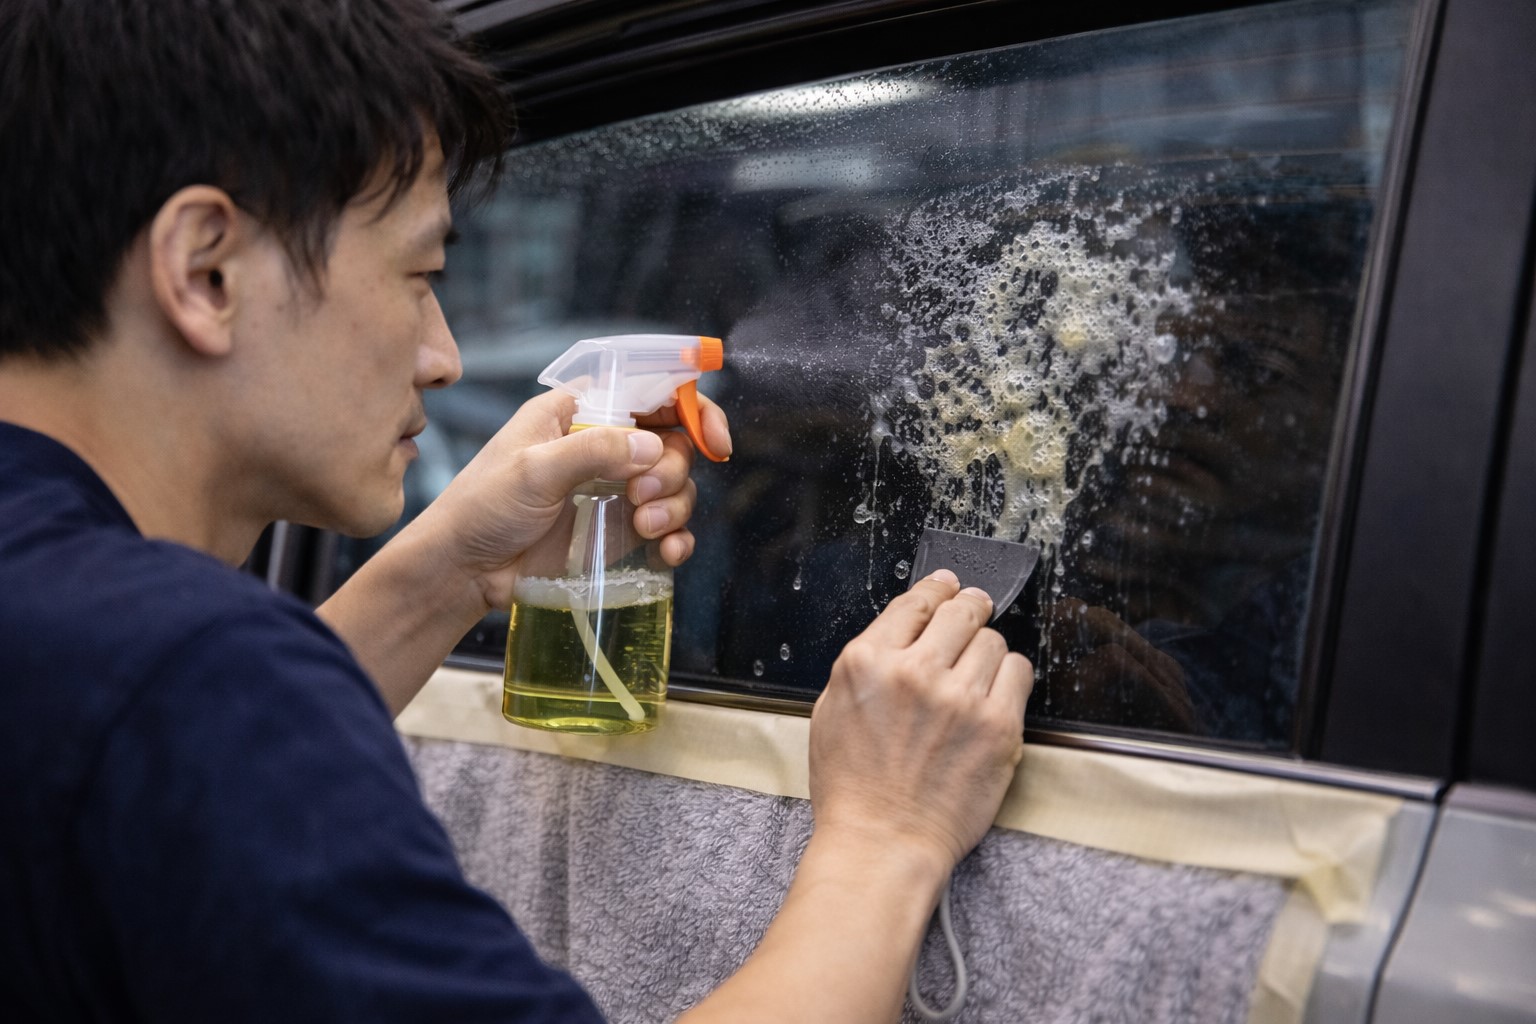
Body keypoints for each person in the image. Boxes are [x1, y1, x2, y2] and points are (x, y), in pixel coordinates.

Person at [0, 1, 1033, 1021]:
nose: (443, 357)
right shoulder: (181, 673)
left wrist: (462, 569)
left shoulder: (73, 636)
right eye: (420, 275)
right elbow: (191, 716)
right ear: (206, 270)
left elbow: (179, 773)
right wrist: (885, 840)